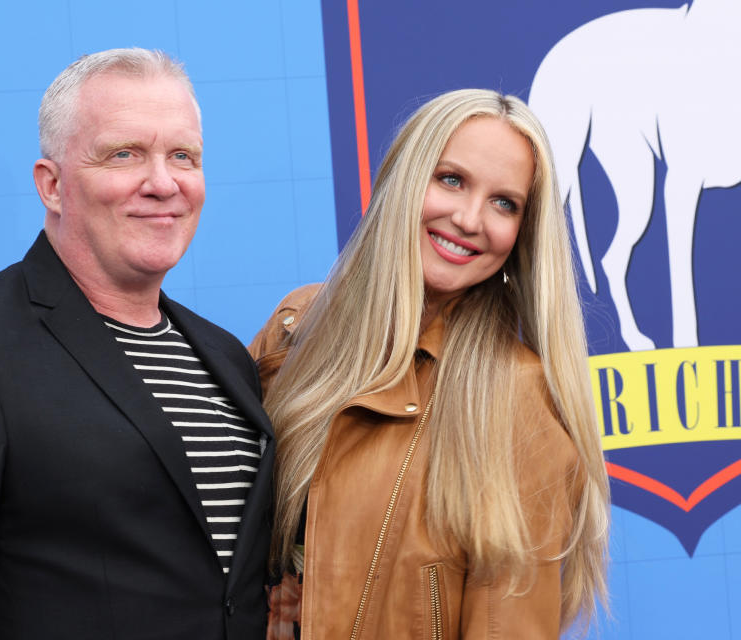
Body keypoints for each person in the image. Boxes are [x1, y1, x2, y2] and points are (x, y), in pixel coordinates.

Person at [0, 48, 273, 639]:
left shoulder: (225, 356)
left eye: (184, 155)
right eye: (124, 154)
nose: (163, 182)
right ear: (52, 185)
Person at [250, 89, 609, 639]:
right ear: (404, 178)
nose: (469, 219)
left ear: (521, 236)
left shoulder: (519, 399)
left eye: (504, 203)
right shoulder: (298, 326)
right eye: (451, 179)